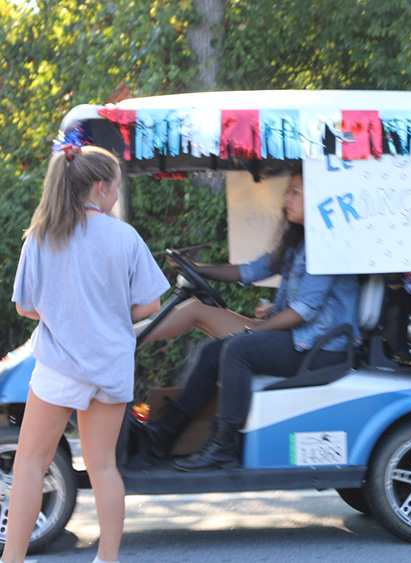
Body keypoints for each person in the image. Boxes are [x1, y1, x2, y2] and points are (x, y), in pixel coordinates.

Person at [134, 170, 360, 471]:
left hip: (322, 347)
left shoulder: (327, 243)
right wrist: (197, 268)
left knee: (237, 350)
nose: (286, 198)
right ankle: (163, 436)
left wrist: (255, 330)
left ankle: (223, 446)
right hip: (302, 338)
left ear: (318, 198)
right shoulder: (300, 242)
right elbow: (252, 271)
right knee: (213, 351)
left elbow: (305, 310)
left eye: (295, 192)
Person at [6, 146, 169, 563]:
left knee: (30, 465)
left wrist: (65, 311)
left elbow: (25, 306)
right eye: (116, 186)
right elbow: (151, 304)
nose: (116, 195)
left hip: (59, 363)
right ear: (100, 186)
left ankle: (12, 560)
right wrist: (110, 312)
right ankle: (107, 559)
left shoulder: (42, 234)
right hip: (110, 367)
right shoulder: (124, 236)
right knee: (103, 467)